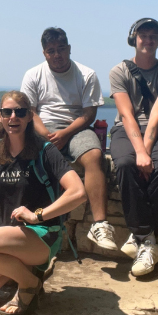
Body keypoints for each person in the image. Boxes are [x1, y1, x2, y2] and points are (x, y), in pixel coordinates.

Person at [0, 91, 87, 315]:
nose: (13, 117)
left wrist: (37, 216)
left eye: (20, 112)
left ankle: (29, 283)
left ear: (30, 116)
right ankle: (24, 272)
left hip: (41, 236)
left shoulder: (45, 151)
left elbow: (78, 192)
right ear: (0, 116)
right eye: (7, 112)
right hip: (7, 239)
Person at [19, 28, 111, 251]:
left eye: (61, 49)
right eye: (51, 51)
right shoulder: (33, 75)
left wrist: (65, 133)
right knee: (28, 158)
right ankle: (30, 222)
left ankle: (100, 224)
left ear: (69, 49)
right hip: (44, 129)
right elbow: (31, 112)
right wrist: (47, 136)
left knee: (94, 155)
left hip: (76, 127)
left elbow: (89, 114)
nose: (57, 54)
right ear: (44, 53)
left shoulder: (86, 74)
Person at [108, 18, 158, 276]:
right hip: (126, 130)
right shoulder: (119, 71)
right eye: (143, 35)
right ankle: (147, 239)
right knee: (125, 164)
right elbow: (126, 115)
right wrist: (139, 152)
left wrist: (145, 151)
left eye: (153, 35)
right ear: (133, 39)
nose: (148, 40)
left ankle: (138, 236)